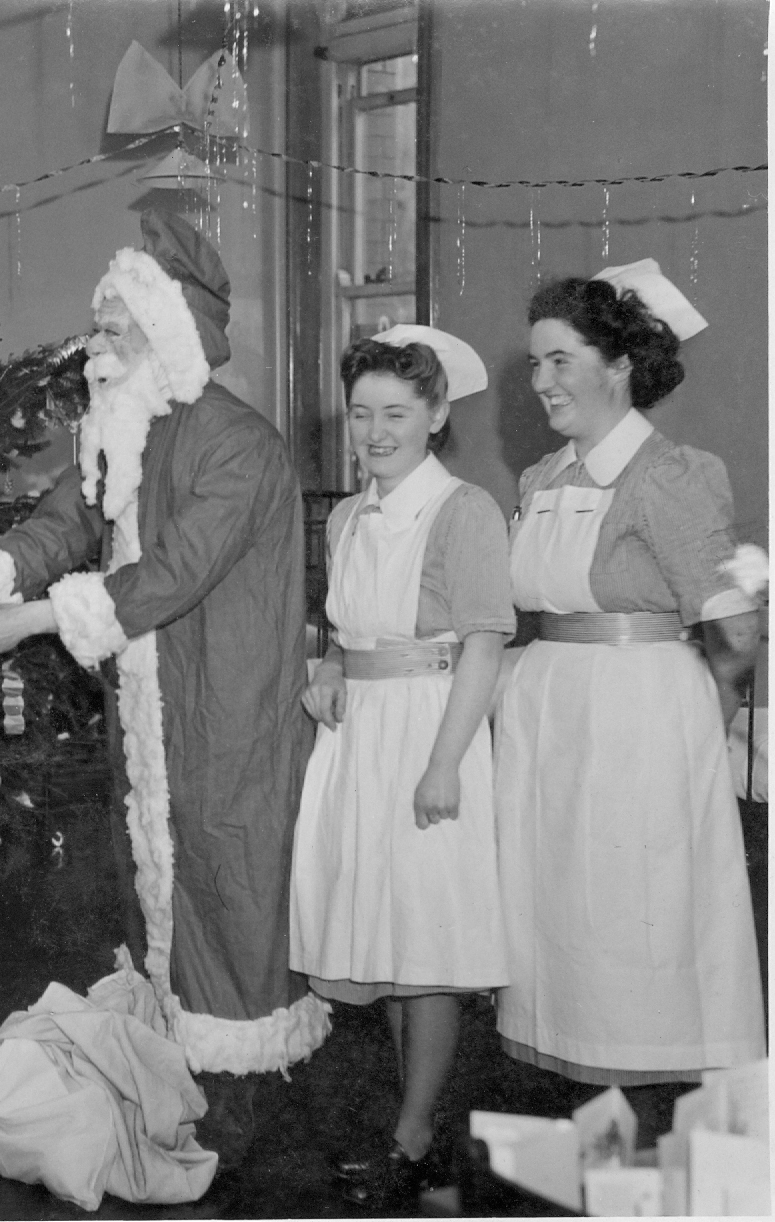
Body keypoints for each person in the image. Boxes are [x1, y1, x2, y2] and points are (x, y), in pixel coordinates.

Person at [0, 210, 329, 1165]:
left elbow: (171, 574)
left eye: (112, 328)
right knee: (163, 888)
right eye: (98, 327)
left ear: (165, 333)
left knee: (229, 885)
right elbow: (59, 525)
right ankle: (182, 1097)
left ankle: (249, 1117)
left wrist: (27, 620)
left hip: (226, 710)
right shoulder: (123, 425)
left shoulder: (235, 444)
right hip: (150, 706)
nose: (94, 347)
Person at [495, 261, 764, 1093]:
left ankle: (650, 1138)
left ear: (618, 367)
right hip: (549, 717)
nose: (540, 382)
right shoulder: (542, 479)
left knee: (630, 919)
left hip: (636, 718)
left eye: (559, 361)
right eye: (534, 363)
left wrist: (691, 730)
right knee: (555, 919)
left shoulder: (671, 474)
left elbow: (737, 631)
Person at [289, 327, 511, 1207]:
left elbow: (485, 650)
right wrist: (325, 673)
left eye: (396, 412)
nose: (375, 430)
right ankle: (407, 1118)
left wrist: (444, 765)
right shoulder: (347, 514)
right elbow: (345, 637)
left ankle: (416, 1130)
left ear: (435, 415)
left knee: (428, 936)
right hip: (358, 743)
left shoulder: (463, 511)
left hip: (430, 731)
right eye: (360, 413)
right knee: (382, 931)